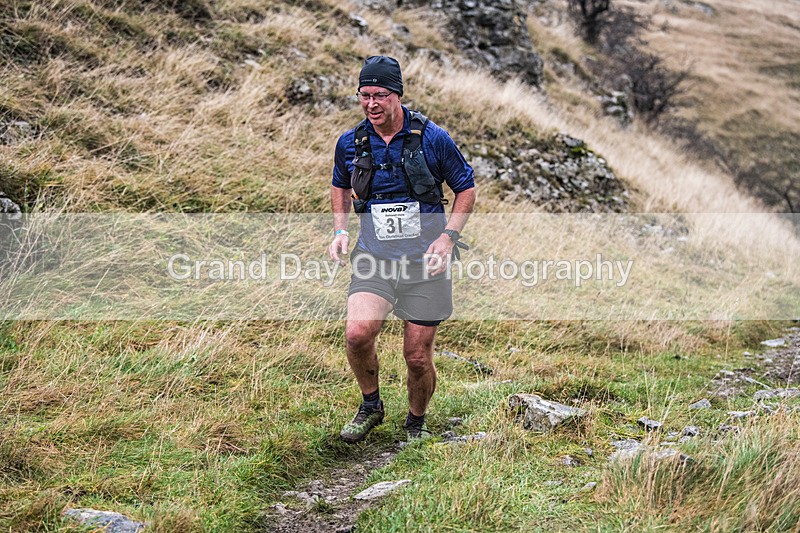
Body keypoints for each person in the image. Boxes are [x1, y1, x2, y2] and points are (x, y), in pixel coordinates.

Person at [328, 55, 476, 443]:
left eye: (380, 95)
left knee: (416, 356)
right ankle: (371, 405)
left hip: (426, 263)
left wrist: (448, 238)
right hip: (374, 258)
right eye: (364, 95)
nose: (371, 104)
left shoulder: (432, 138)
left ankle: (416, 421)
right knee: (358, 334)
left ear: (398, 95)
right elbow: (340, 185)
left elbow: (466, 188)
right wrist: (340, 230)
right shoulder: (352, 142)